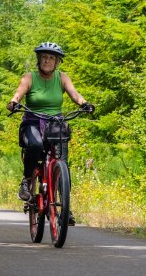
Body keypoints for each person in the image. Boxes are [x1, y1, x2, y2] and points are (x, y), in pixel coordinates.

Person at [6, 42, 94, 223]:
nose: (47, 61)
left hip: (55, 124)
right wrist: (14, 102)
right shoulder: (29, 77)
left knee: (63, 162)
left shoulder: (62, 78)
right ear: (39, 59)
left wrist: (85, 104)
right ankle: (26, 180)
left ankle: (65, 208)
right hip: (32, 122)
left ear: (57, 62)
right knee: (35, 145)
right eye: (44, 57)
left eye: (51, 58)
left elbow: (75, 95)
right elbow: (18, 94)